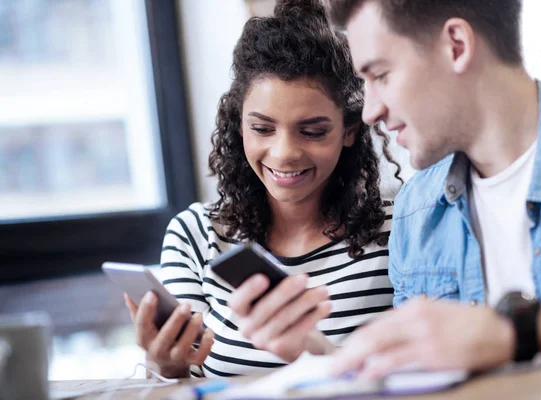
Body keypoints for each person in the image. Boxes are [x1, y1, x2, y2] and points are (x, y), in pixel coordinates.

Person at [124, 0, 401, 379]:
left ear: (349, 130)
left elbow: (420, 374)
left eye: (313, 131)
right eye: (262, 129)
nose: (284, 153)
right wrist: (165, 366)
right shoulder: (197, 235)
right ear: (239, 126)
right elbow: (181, 376)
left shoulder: (400, 229)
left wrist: (318, 353)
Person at [325, 0, 541, 378]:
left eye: (381, 75)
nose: (369, 111)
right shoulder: (415, 211)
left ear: (456, 45)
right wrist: (314, 351)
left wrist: (514, 332)